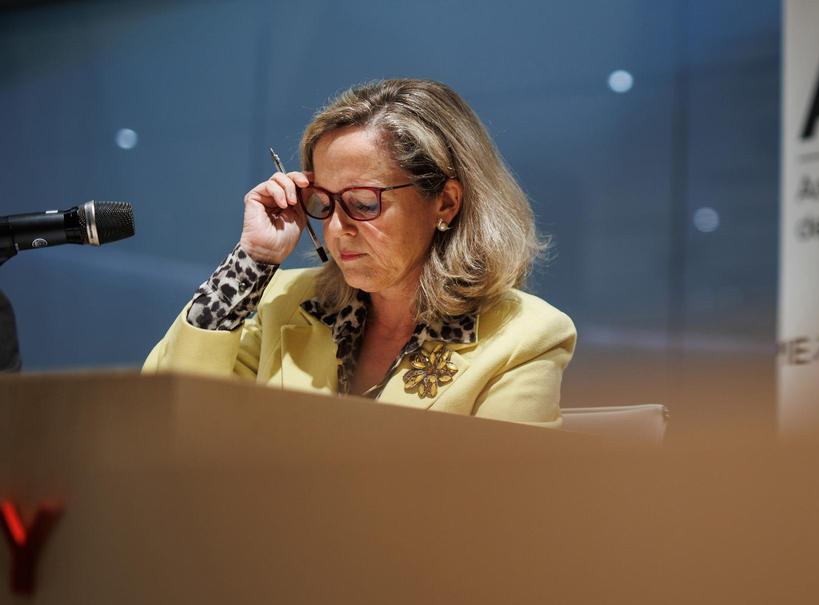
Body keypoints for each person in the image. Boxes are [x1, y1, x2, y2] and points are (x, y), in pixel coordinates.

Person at [145, 79, 575, 427]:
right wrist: (251, 261)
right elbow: (165, 415)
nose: (336, 228)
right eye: (322, 202)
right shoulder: (283, 301)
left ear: (445, 202)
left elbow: (501, 509)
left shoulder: (526, 337)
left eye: (364, 203)